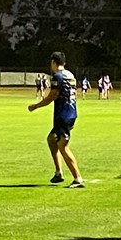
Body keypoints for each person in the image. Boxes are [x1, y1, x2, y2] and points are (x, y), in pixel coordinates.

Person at [27, 51, 85, 188]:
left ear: (54, 62)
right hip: (71, 114)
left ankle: (78, 178)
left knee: (63, 147)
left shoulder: (57, 77)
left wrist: (36, 106)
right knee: (51, 139)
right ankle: (58, 173)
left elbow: (53, 95)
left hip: (62, 116)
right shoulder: (70, 75)